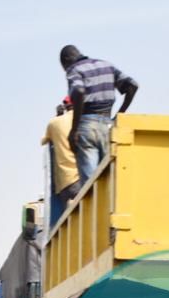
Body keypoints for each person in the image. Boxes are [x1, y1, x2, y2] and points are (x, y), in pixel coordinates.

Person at [60, 45, 138, 185]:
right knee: (109, 181)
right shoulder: (106, 65)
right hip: (108, 126)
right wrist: (119, 115)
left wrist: (74, 129)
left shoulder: (74, 70)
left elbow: (79, 92)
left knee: (91, 185)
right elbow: (132, 86)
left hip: (87, 125)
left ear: (66, 61)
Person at [41, 96, 79, 227]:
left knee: (68, 226)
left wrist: (57, 116)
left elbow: (44, 141)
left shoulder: (54, 123)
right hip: (81, 178)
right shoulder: (84, 119)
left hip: (64, 182)